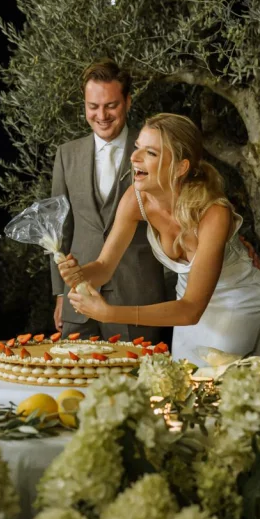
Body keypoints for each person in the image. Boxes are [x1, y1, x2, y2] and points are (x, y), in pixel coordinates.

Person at [59, 113, 260, 367]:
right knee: (183, 376)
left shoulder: (214, 213)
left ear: (181, 167)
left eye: (150, 153)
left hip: (233, 300)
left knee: (216, 377)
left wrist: (110, 313)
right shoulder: (135, 200)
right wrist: (80, 274)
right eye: (137, 147)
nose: (134, 157)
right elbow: (104, 267)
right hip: (183, 302)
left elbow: (191, 310)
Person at [51, 59, 168, 344]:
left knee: (138, 373)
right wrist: (59, 295)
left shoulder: (154, 149)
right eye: (93, 106)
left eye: (111, 105)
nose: (101, 115)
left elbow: (177, 213)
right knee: (72, 371)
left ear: (128, 101)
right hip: (77, 299)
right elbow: (59, 230)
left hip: (137, 297)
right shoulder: (66, 155)